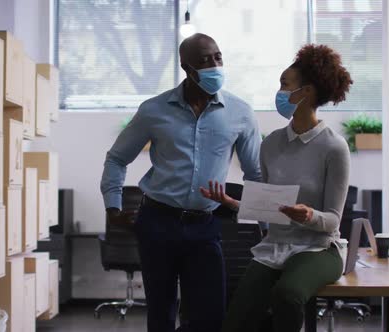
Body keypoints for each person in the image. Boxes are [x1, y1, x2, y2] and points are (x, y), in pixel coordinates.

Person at [100, 33, 262, 332]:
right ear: (187, 68)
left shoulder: (241, 113)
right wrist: (113, 208)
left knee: (209, 316)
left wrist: (265, 224)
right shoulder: (154, 110)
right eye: (204, 60)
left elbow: (256, 174)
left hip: (205, 225)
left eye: (218, 57)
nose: (215, 65)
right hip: (157, 221)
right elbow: (116, 159)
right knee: (160, 314)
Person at [200, 44, 353, 332]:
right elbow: (271, 208)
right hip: (275, 247)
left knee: (288, 295)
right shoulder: (270, 144)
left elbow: (333, 219)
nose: (279, 92)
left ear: (306, 92)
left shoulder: (334, 147)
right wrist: (232, 202)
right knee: (236, 318)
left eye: (284, 85)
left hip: (320, 249)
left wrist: (308, 215)